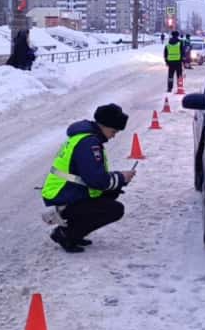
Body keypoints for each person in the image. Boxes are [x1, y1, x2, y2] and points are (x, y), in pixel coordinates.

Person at [41, 104, 136, 253]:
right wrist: (121, 177)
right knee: (115, 209)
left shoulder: (84, 138)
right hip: (63, 194)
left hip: (65, 190)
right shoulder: (89, 143)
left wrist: (118, 180)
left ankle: (76, 230)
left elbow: (92, 176)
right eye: (113, 131)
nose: (114, 136)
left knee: (112, 191)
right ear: (104, 126)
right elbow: (96, 180)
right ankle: (66, 234)